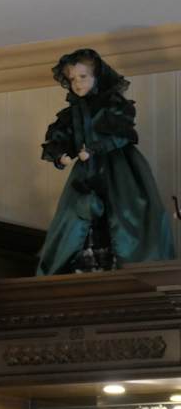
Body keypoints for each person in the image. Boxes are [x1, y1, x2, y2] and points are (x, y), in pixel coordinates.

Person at [38, 48, 175, 275]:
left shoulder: (112, 104)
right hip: (86, 170)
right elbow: (62, 137)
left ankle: (126, 263)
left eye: (83, 76)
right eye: (73, 79)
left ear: (97, 77)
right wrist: (61, 154)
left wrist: (94, 149)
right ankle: (84, 263)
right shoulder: (72, 113)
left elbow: (121, 135)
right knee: (76, 216)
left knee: (126, 211)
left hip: (119, 168)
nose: (77, 83)